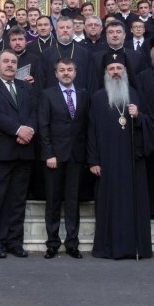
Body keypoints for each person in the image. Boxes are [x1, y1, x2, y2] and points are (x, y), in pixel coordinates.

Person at [87, 50, 154, 260]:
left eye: (119, 68)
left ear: (125, 71)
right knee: (109, 204)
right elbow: (91, 130)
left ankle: (134, 247)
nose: (115, 72)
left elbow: (151, 124)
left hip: (132, 160)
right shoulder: (98, 97)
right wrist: (93, 160)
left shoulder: (135, 94)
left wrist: (139, 116)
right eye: (112, 69)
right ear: (106, 72)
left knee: (132, 204)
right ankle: (109, 248)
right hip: (107, 160)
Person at [0, 49, 37, 258]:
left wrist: (29, 130)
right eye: (6, 61)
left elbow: (34, 112)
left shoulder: (26, 87)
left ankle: (14, 242)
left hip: (23, 151)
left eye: (13, 62)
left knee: (18, 201)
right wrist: (18, 130)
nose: (10, 65)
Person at [37, 57, 88, 258]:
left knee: (73, 201)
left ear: (75, 73)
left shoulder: (83, 94)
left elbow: (86, 125)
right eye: (62, 70)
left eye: (69, 70)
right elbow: (43, 126)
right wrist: (48, 153)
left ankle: (72, 243)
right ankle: (52, 243)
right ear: (56, 74)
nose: (66, 73)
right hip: (54, 157)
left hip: (76, 156)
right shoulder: (47, 94)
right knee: (53, 200)